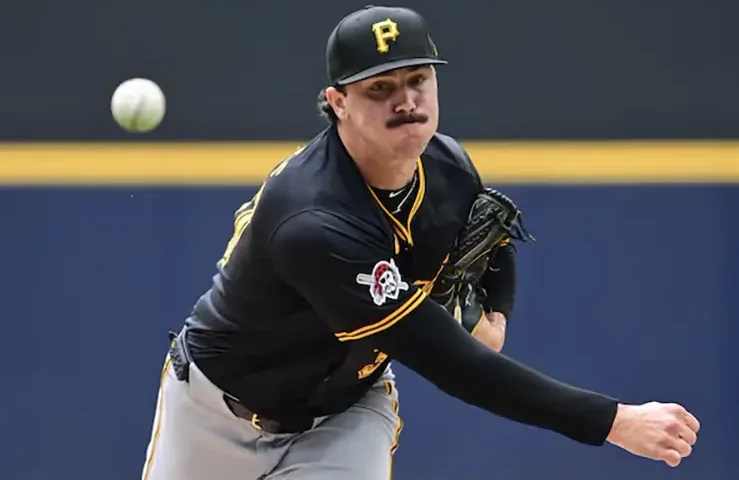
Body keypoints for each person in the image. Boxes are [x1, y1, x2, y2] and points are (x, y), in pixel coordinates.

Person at [139, 5, 700, 480]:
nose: (405, 99)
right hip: (214, 415)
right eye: (380, 88)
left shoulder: (448, 166)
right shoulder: (314, 221)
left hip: (343, 415)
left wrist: (497, 313)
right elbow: (453, 363)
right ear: (338, 103)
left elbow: (491, 238)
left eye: (417, 80)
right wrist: (613, 421)